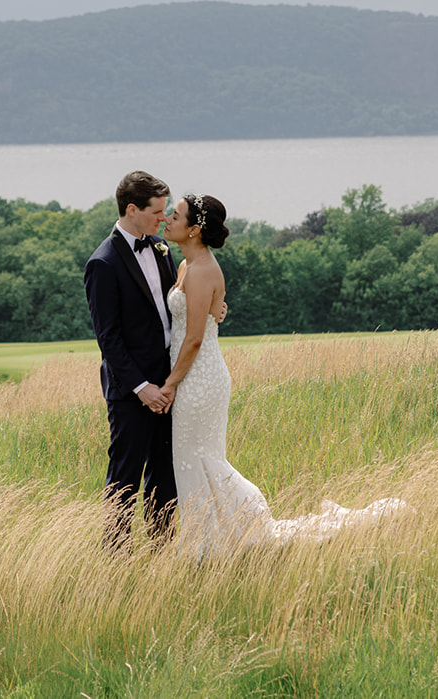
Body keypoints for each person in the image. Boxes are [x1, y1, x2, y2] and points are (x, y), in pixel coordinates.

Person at [158, 192, 409, 556]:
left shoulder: (203, 270)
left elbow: (195, 338)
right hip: (190, 376)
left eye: (176, 215)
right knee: (192, 457)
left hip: (199, 378)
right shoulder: (184, 266)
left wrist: (169, 384)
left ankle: (230, 530)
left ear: (194, 230)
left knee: (203, 456)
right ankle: (209, 540)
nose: (168, 218)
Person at [84, 170, 179, 552]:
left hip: (170, 385)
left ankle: (161, 550)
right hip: (131, 393)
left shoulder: (160, 248)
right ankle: (117, 560)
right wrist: (142, 389)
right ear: (132, 209)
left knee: (165, 474)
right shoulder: (103, 264)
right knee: (125, 478)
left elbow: (173, 308)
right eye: (157, 211)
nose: (163, 218)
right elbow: (109, 339)